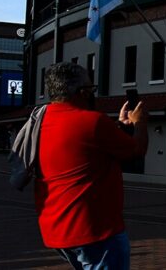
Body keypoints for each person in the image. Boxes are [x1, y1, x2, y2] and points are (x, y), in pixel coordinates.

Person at [35, 62, 149, 269]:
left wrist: (120, 126)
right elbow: (137, 150)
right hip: (95, 230)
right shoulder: (93, 121)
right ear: (83, 91)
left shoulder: (40, 120)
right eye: (91, 89)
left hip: (57, 229)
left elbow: (86, 145)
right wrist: (140, 122)